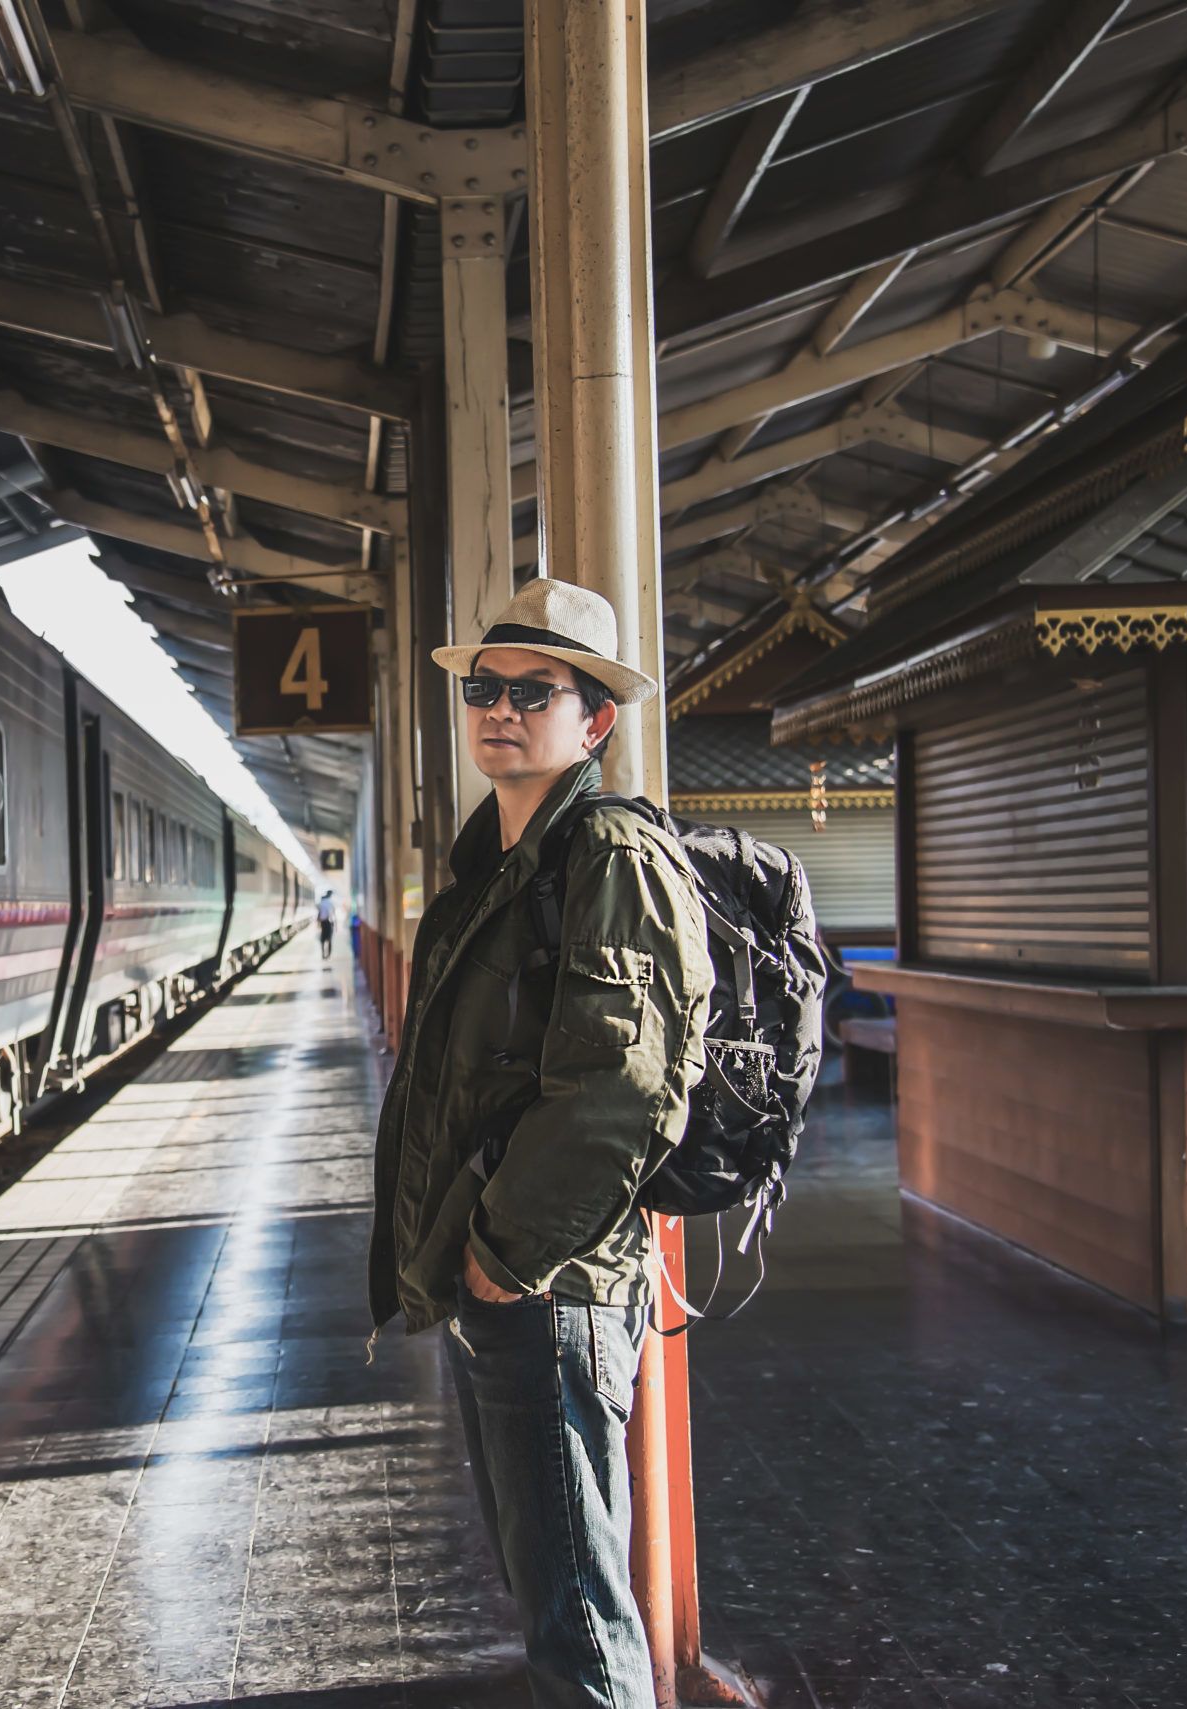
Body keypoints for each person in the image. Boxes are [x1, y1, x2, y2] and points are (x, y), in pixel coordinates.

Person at [367, 577, 712, 1709]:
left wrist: (500, 1259)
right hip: (509, 1281)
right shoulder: (494, 870)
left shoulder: (608, 854)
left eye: (534, 690)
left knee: (574, 1611)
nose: (499, 708)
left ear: (594, 720)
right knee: (551, 1589)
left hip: (548, 1287)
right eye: (483, 687)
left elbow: (621, 1086)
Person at [317, 888, 337, 960]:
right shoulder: (331, 902)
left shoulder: (322, 902)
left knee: (323, 939)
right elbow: (333, 914)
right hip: (329, 922)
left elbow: (319, 914)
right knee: (329, 939)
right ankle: (328, 955)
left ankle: (323, 954)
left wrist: (318, 923)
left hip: (323, 922)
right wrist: (336, 925)